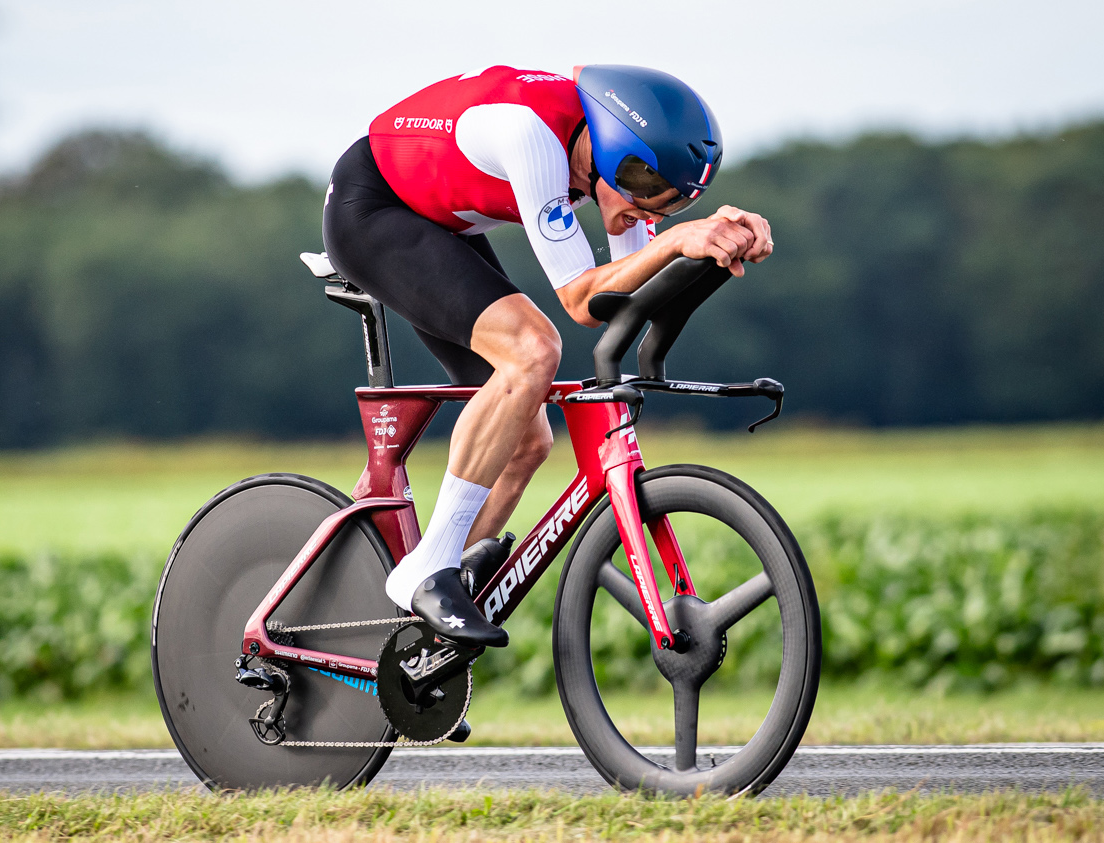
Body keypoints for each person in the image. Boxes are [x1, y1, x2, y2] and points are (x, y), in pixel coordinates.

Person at [322, 65, 774, 648]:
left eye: (670, 206)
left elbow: (626, 292)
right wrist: (677, 243)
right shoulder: (532, 137)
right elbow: (584, 302)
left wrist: (717, 243)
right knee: (534, 350)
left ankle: (411, 644)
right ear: (616, 158)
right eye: (646, 197)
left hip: (439, 223)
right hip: (375, 209)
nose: (651, 217)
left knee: (527, 441)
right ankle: (427, 570)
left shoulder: (602, 155)